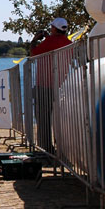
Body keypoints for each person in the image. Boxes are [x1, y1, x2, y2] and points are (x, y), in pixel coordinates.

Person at [29, 18, 72, 153]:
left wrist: (35, 39)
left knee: (43, 118)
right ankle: (61, 148)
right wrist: (48, 38)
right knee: (60, 118)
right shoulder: (68, 43)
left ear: (54, 28)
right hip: (61, 85)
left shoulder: (50, 42)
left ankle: (45, 148)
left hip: (45, 85)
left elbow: (33, 53)